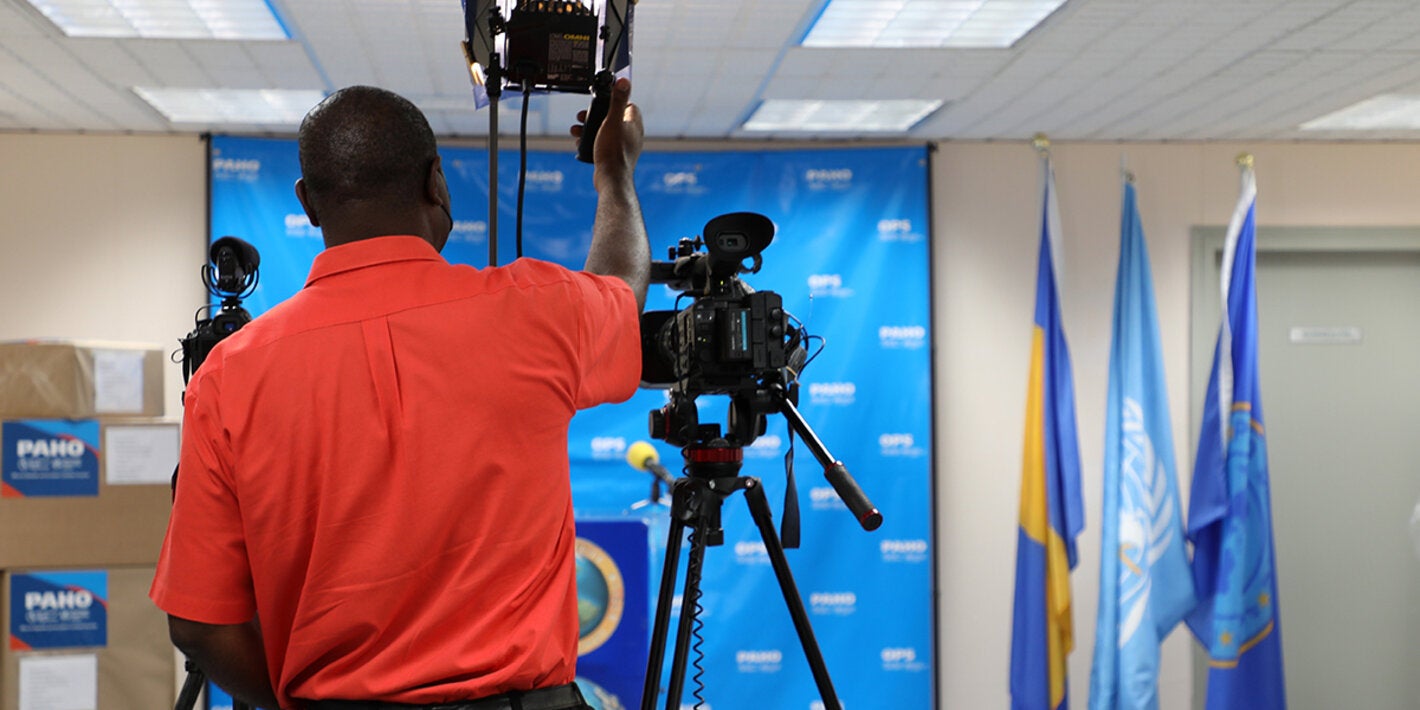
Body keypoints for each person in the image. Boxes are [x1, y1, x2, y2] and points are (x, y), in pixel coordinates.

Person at [150, 78, 649, 710]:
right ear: (436, 183)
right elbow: (622, 291)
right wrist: (615, 172)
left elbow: (197, 623)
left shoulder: (228, 377)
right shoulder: (539, 312)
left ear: (307, 203)